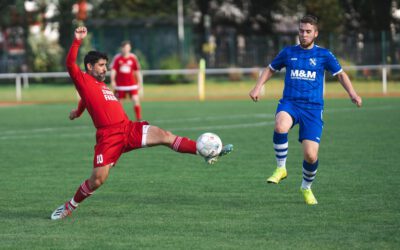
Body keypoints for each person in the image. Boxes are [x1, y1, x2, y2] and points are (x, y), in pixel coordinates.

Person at [51, 26, 233, 220]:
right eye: (101, 65)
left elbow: (86, 100)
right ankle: (70, 205)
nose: (106, 68)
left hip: (128, 128)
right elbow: (70, 64)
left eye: (106, 65)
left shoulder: (99, 85)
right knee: (97, 180)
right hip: (109, 137)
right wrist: (77, 40)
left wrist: (77, 112)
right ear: (89, 66)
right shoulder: (82, 79)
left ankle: (204, 151)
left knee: (165, 135)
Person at [249, 15, 362, 205]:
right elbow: (270, 69)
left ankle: (306, 187)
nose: (303, 34)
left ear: (315, 33)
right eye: (301, 30)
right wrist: (257, 86)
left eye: (308, 31)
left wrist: (353, 93)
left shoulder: (324, 55)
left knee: (311, 155)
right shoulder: (288, 52)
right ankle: (281, 168)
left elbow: (341, 75)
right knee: (280, 125)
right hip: (290, 103)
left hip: (313, 109)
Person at [110, 40, 143, 121]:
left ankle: (138, 117)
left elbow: (137, 71)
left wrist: (140, 83)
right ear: (122, 48)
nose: (126, 49)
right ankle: (119, 118)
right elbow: (113, 70)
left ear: (130, 48)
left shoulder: (133, 58)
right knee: (119, 102)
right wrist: (112, 80)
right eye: (124, 47)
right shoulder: (117, 58)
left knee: (135, 99)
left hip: (132, 84)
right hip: (120, 85)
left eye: (128, 47)